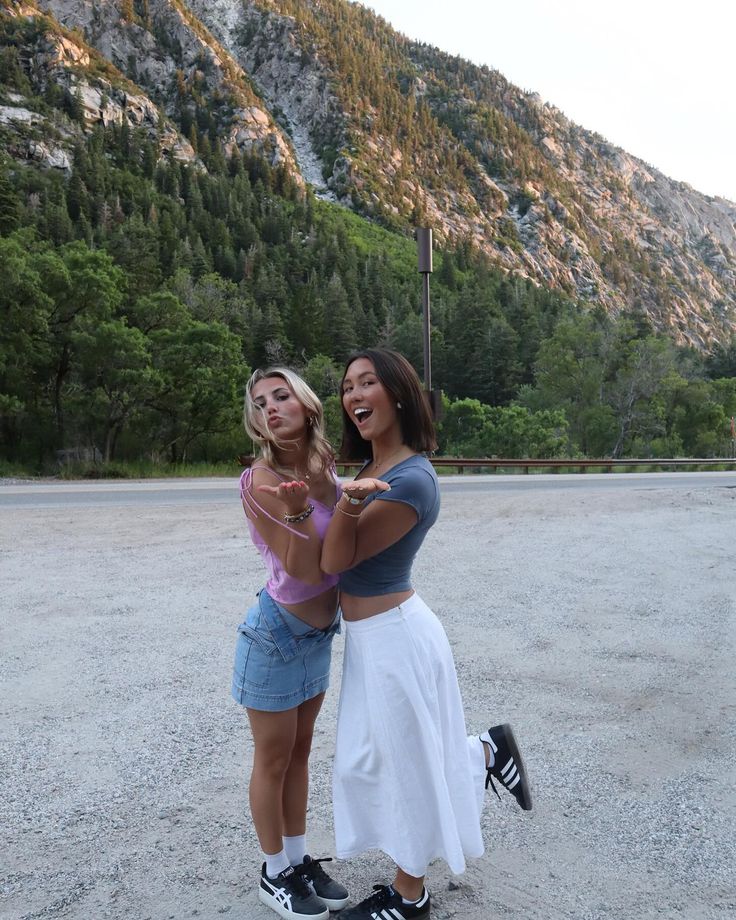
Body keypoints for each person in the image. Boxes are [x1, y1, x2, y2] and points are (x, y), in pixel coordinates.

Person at [320, 348, 532, 920]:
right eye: (347, 387)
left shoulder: (410, 480)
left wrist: (342, 505)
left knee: (406, 766)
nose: (354, 396)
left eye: (368, 383)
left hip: (396, 640)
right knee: (365, 762)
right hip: (373, 641)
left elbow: (336, 559)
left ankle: (410, 895)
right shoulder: (373, 469)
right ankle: (485, 751)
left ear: (397, 393)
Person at [232, 367, 349, 920]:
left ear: (306, 404)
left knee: (302, 753)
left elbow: (341, 552)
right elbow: (303, 569)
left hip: (318, 636)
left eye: (281, 396)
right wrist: (301, 508)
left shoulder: (322, 464)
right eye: (260, 403)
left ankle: (299, 860)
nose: (271, 408)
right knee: (273, 759)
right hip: (276, 637)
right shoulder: (261, 481)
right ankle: (273, 871)